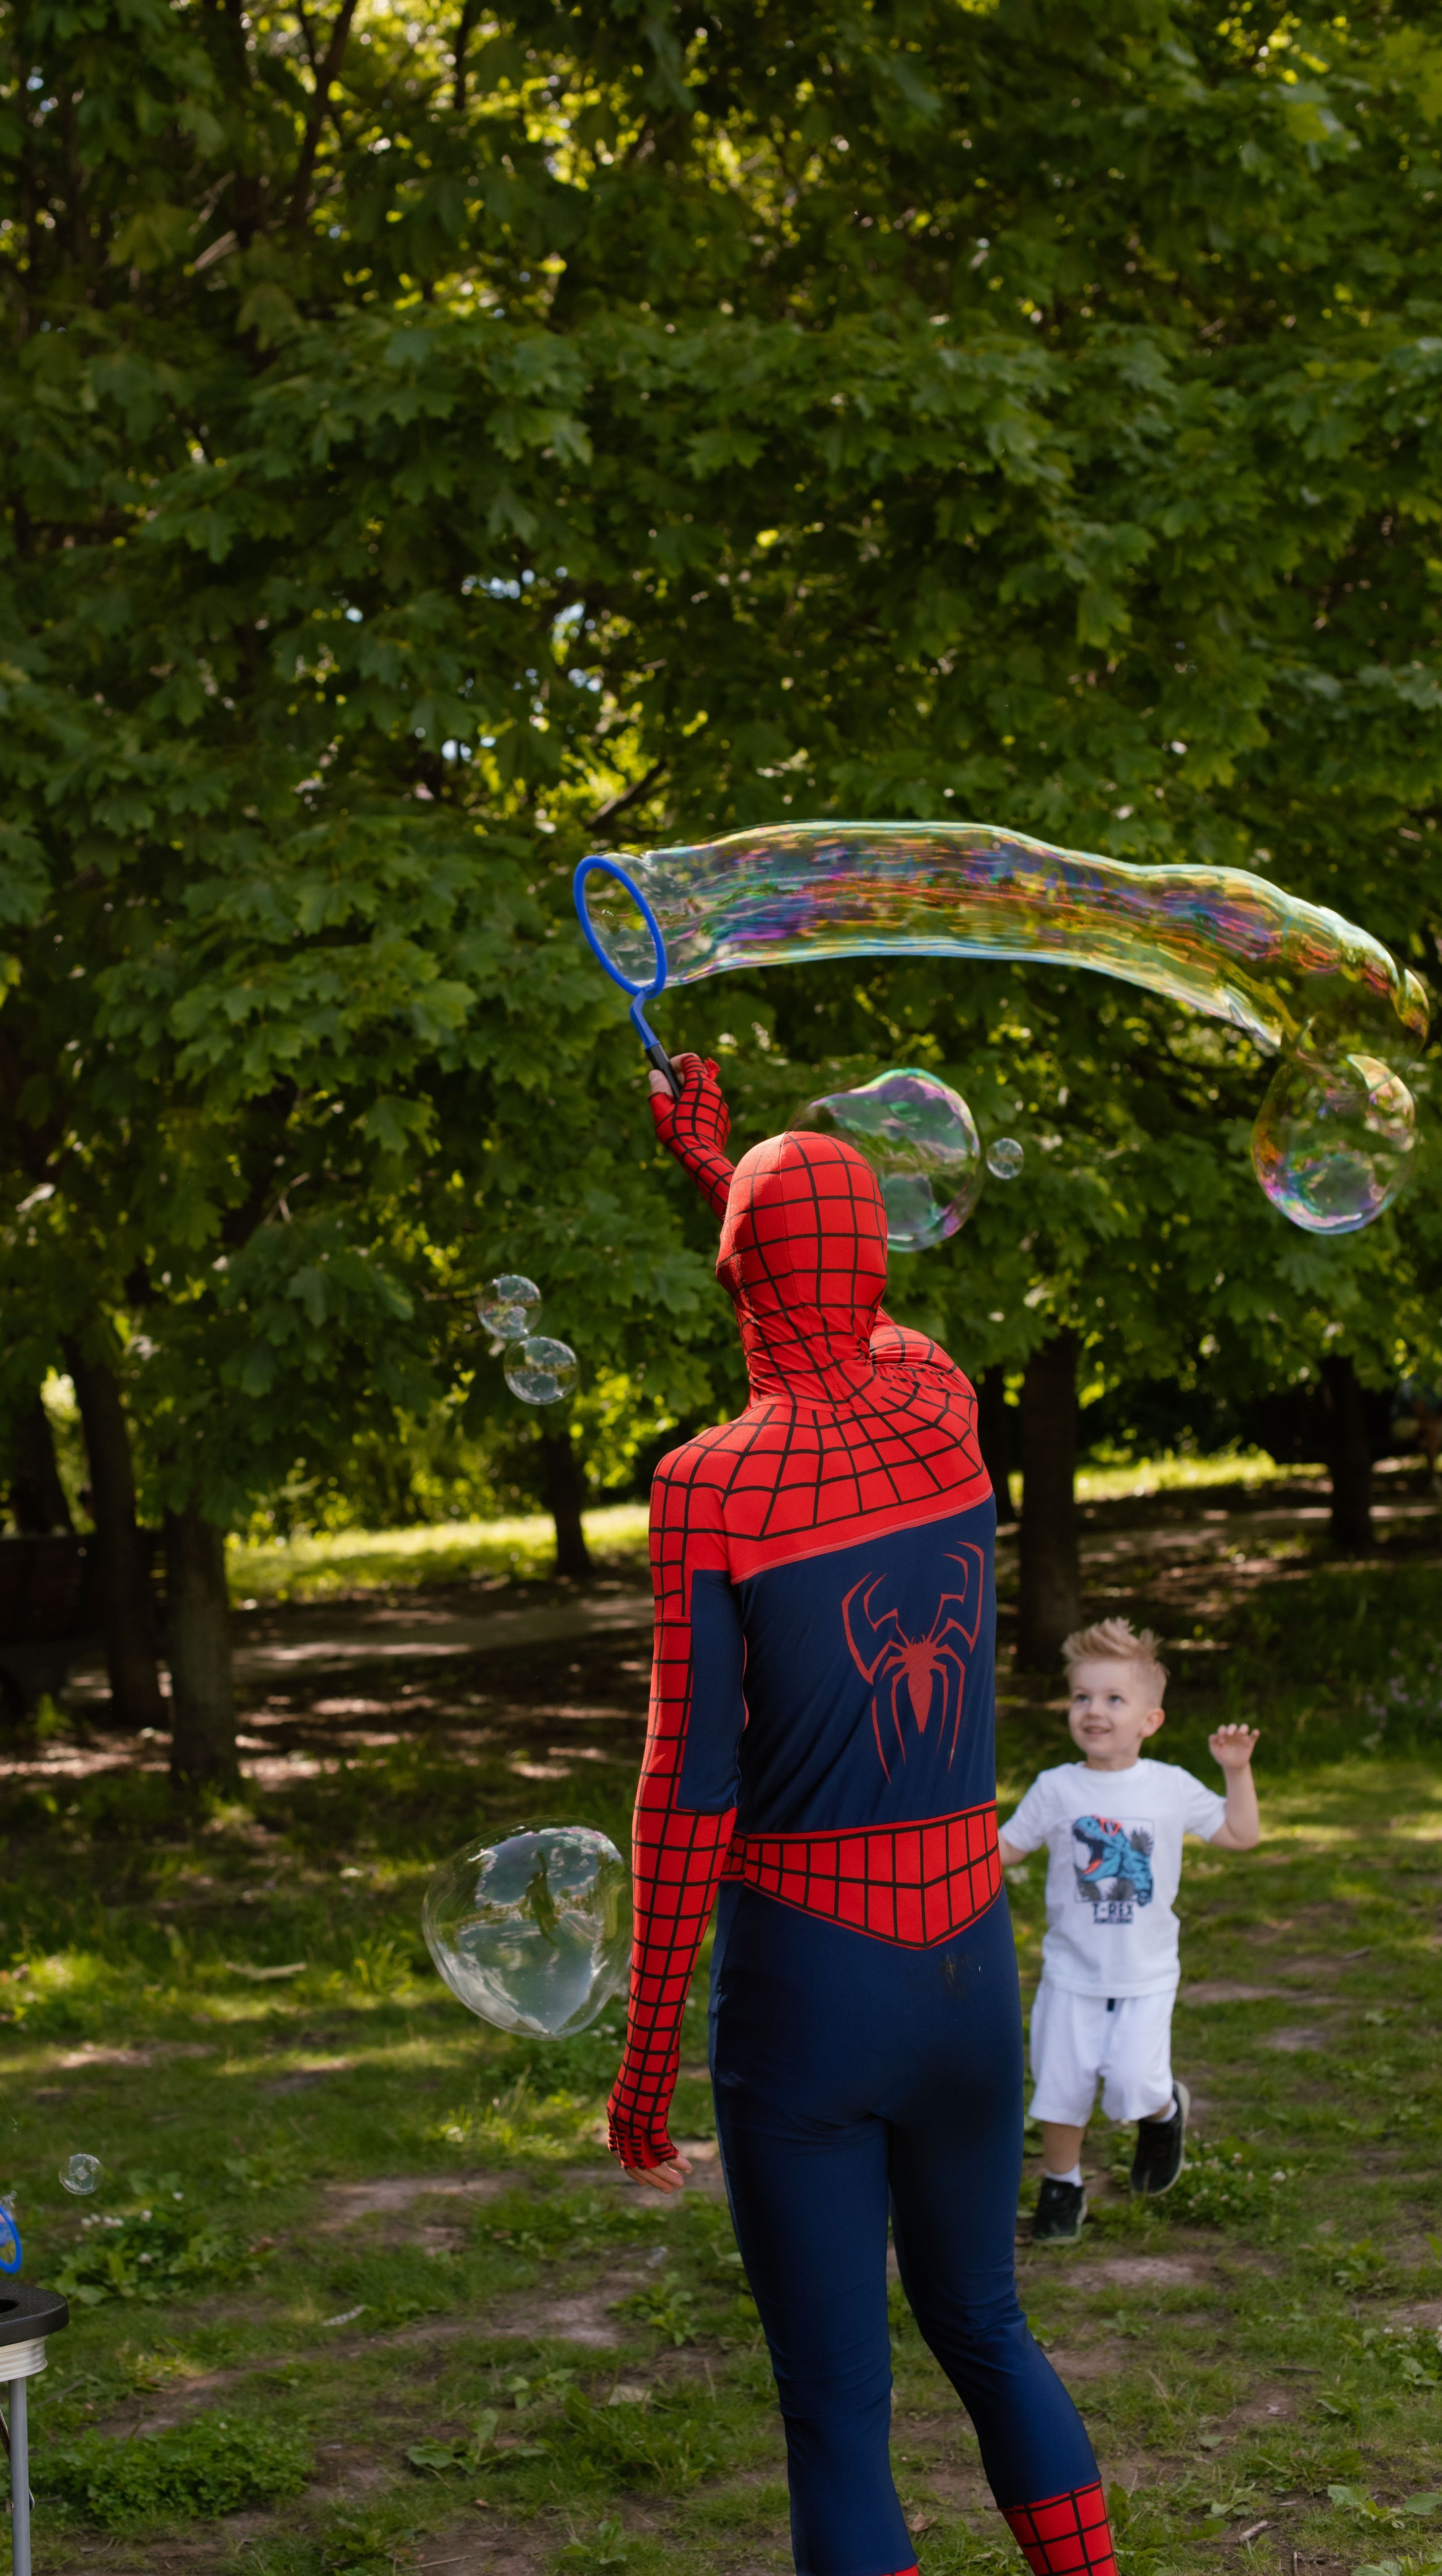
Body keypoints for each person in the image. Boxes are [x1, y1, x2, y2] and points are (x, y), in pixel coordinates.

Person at [606, 1055, 1118, 2576]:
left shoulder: (708, 1485)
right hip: (966, 1962)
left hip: (809, 1983)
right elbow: (841, 1313)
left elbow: (684, 1792)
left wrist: (643, 2068)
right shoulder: (937, 1397)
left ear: (734, 1269)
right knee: (988, 2326)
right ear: (875, 1258)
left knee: (835, 2408)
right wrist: (738, 1179)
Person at [999, 1622, 1261, 2245]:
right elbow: (1003, 1849)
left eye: (1114, 1699)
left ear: (1151, 1718)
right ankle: (1062, 2186)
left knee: (1132, 2083)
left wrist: (1237, 1772)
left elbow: (1241, 1835)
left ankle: (1163, 2112)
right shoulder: (1056, 1788)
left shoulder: (1167, 1785)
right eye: (1082, 1697)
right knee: (1060, 2089)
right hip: (1070, 1971)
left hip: (1144, 1974)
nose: (1094, 1711)